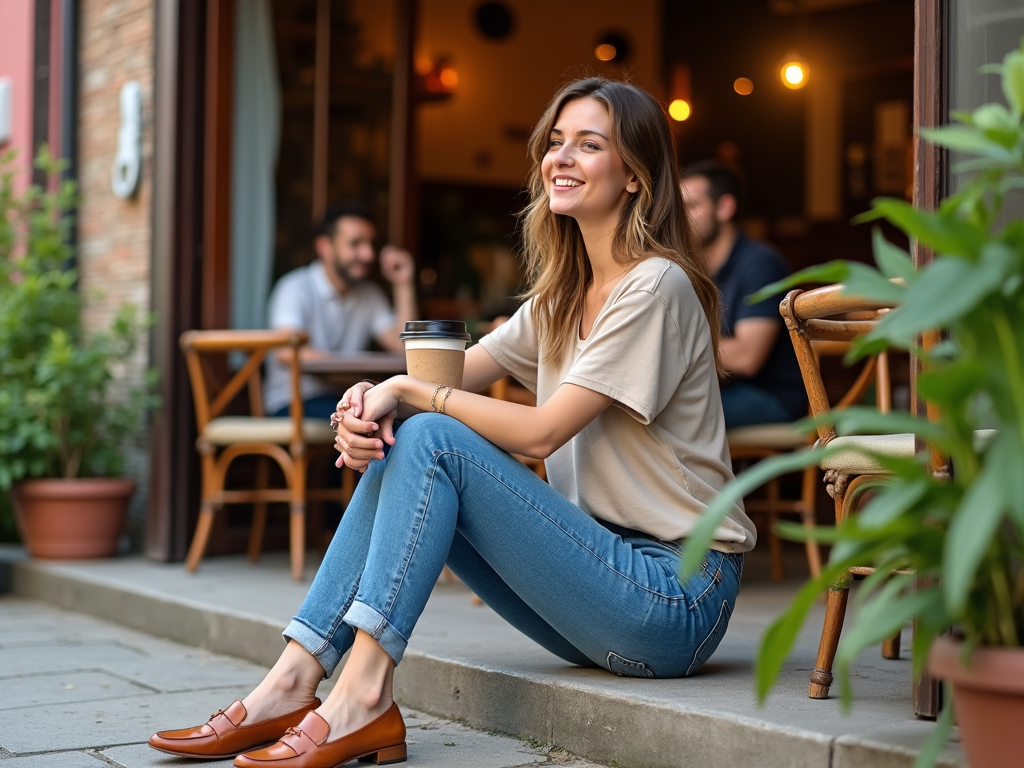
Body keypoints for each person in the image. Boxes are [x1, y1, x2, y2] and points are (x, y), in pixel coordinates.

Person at [149, 78, 756, 768]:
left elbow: (540, 432)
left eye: (589, 145)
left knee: (431, 434)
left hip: (676, 599)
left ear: (636, 177)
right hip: (596, 578)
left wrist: (407, 392)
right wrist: (369, 403)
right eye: (555, 142)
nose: (561, 157)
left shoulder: (657, 285)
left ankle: (362, 695)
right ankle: (293, 678)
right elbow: (448, 379)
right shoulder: (561, 297)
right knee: (411, 433)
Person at [679, 161, 807, 429]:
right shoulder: (693, 270)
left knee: (669, 419)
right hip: (723, 390)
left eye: (691, 207)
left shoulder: (761, 263)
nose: (680, 218)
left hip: (772, 397)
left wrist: (670, 348)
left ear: (725, 207)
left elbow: (747, 357)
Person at [263, 202, 417, 420]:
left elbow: (404, 349)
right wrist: (353, 371)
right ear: (325, 247)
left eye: (370, 244)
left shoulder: (369, 295)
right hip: (293, 402)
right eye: (356, 244)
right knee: (381, 420)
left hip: (346, 399)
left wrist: (403, 284)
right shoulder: (294, 288)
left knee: (413, 415)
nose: (368, 254)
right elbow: (287, 351)